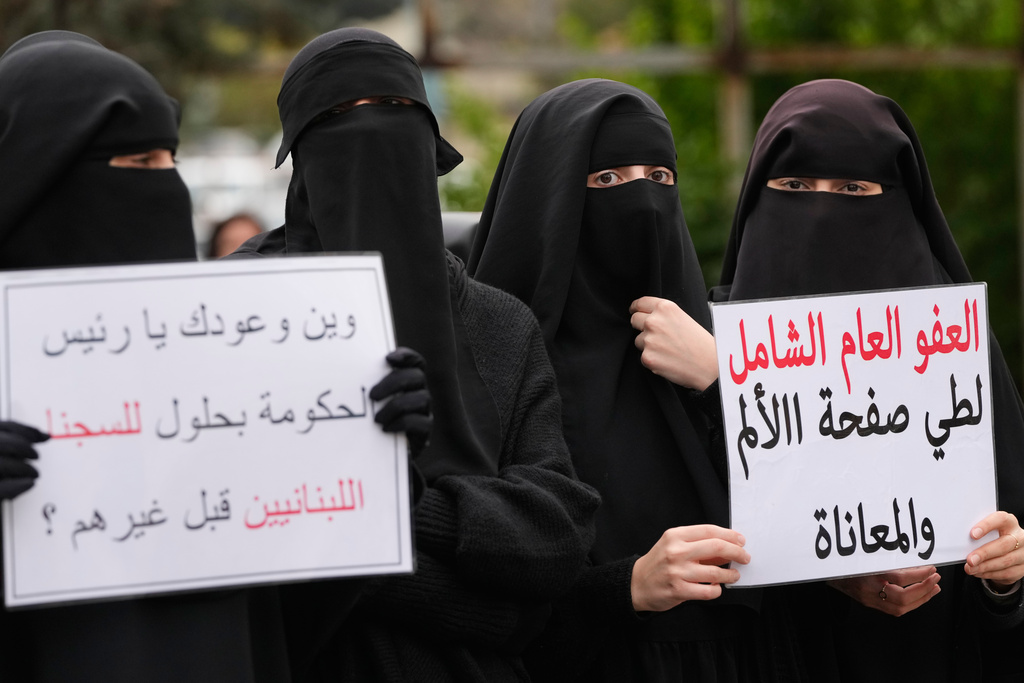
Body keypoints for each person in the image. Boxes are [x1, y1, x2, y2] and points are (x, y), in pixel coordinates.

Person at [228, 28, 600, 682]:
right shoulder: (236, 315)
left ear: (429, 150)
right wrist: (488, 608)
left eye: (397, 119)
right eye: (342, 122)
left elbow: (557, 538)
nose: (373, 144)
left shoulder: (499, 324)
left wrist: (403, 505)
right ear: (303, 160)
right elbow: (232, 537)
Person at [468, 78, 809, 682]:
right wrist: (623, 587)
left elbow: (811, 509)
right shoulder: (490, 366)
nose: (643, 202)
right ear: (548, 200)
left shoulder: (714, 350)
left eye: (660, 177)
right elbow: (475, 592)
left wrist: (722, 381)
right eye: (607, 180)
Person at [709, 78, 1024, 681]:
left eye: (853, 188)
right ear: (757, 195)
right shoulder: (710, 347)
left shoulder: (954, 347)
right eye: (795, 186)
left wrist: (1004, 578)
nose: (823, 208)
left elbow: (1005, 538)